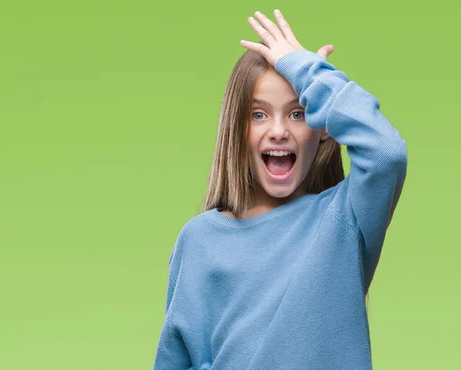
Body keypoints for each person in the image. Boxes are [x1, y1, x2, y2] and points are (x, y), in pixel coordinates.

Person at [152, 8, 407, 370]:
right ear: (237, 130)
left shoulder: (342, 222)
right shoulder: (198, 240)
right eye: (259, 114)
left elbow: (386, 153)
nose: (278, 131)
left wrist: (313, 79)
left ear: (323, 129)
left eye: (298, 113)